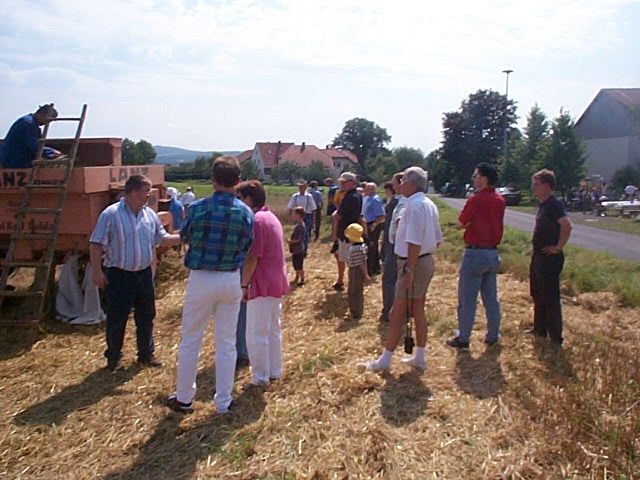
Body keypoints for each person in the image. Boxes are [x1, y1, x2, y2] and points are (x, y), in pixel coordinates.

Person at [167, 156, 253, 415]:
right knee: (226, 342)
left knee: (191, 339)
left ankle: (184, 398)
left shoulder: (197, 208)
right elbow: (246, 246)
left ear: (213, 179)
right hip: (230, 278)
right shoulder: (245, 212)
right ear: (238, 181)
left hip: (201, 278)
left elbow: (185, 236)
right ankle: (224, 401)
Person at [90, 174, 181, 372]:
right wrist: (97, 271)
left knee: (146, 316)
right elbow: (96, 243)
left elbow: (163, 238)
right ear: (131, 192)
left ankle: (146, 355)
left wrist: (187, 235)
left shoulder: (149, 215)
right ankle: (114, 359)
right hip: (119, 275)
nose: (148, 196)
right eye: (145, 192)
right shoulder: (111, 214)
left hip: (143, 274)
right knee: (117, 318)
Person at [360, 166, 442, 373]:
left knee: (396, 313)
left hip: (412, 263)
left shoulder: (414, 206)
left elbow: (413, 241)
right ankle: (419, 357)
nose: (400, 184)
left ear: (412, 183)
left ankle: (385, 360)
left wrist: (409, 269)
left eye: (403, 180)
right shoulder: (429, 204)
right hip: (424, 261)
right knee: (417, 309)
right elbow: (437, 239)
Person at [446, 163, 506, 350]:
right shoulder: (500, 200)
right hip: (492, 252)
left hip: (475, 252)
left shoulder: (475, 200)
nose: (473, 179)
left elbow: (461, 223)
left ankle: (463, 338)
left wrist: (463, 223)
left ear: (484, 179)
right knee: (491, 298)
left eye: (475, 176)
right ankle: (493, 334)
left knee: (467, 299)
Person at [236, 180, 289, 389]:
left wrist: (243, 285)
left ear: (249, 199)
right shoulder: (271, 217)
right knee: (272, 330)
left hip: (262, 282)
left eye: (240, 198)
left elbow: (253, 257)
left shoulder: (257, 220)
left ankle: (260, 377)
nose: (238, 203)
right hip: (275, 281)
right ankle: (274, 371)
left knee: (256, 333)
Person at [528, 169, 572, 348]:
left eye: (536, 185)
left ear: (546, 186)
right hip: (539, 255)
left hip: (549, 258)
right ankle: (540, 329)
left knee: (550, 297)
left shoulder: (554, 204)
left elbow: (566, 226)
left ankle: (555, 338)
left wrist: (558, 247)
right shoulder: (544, 205)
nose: (533, 188)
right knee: (537, 293)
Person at [0, 103, 61, 168]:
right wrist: (51, 153)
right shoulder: (29, 124)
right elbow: (34, 146)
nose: (47, 123)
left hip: (9, 158)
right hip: (15, 161)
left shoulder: (27, 121)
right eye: (48, 120)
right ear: (42, 114)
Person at [331, 172, 362, 291]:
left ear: (352, 183)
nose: (342, 184)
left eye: (344, 182)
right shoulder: (357, 195)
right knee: (343, 256)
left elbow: (338, 216)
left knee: (348, 259)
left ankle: (352, 286)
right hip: (352, 231)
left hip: (346, 233)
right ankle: (344, 282)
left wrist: (335, 217)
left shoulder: (349, 197)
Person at [381, 173, 404, 322]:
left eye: (394, 183)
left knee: (390, 279)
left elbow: (390, 227)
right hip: (400, 246)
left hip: (394, 246)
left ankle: (389, 311)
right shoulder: (408, 201)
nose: (393, 186)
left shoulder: (397, 202)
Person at [345, 223, 370, 320]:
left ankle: (356, 312)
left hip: (356, 271)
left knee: (355, 291)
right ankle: (355, 310)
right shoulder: (361, 246)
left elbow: (361, 263)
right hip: (353, 270)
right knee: (354, 290)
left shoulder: (356, 249)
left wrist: (365, 274)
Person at [287, 180, 317, 255]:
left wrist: (313, 218)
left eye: (302, 186)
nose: (301, 188)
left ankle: (304, 250)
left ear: (305, 187)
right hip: (297, 215)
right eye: (300, 186)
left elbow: (313, 208)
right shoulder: (295, 196)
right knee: (297, 233)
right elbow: (290, 207)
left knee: (306, 233)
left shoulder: (309, 196)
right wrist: (291, 216)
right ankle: (298, 249)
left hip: (307, 215)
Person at [363, 182, 385, 276]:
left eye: (367, 188)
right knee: (373, 246)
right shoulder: (369, 198)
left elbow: (381, 215)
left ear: (372, 189)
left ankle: (370, 269)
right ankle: (376, 268)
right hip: (369, 223)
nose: (365, 190)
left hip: (373, 225)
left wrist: (374, 225)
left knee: (371, 247)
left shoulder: (375, 199)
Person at [288, 206, 306, 286]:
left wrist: (290, 241)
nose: (292, 215)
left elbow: (298, 239)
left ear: (298, 215)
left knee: (299, 265)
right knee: (296, 265)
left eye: (293, 213)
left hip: (298, 249)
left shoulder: (300, 226)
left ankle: (302, 279)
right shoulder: (298, 224)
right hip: (296, 249)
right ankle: (297, 277)